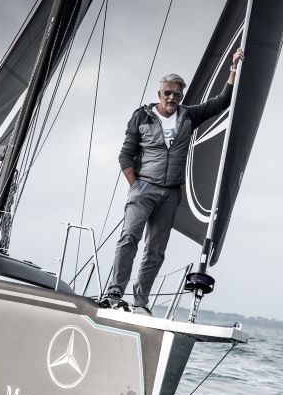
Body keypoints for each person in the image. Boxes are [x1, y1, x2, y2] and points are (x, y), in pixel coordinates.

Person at [101, 47, 245, 314]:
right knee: (129, 239)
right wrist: (135, 185)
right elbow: (125, 155)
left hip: (170, 194)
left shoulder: (188, 116)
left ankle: (140, 303)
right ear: (160, 94)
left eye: (177, 94)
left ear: (181, 97)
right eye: (167, 93)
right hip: (143, 189)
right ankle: (114, 293)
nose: (172, 98)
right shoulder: (142, 116)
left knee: (155, 250)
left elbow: (222, 101)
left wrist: (233, 67)